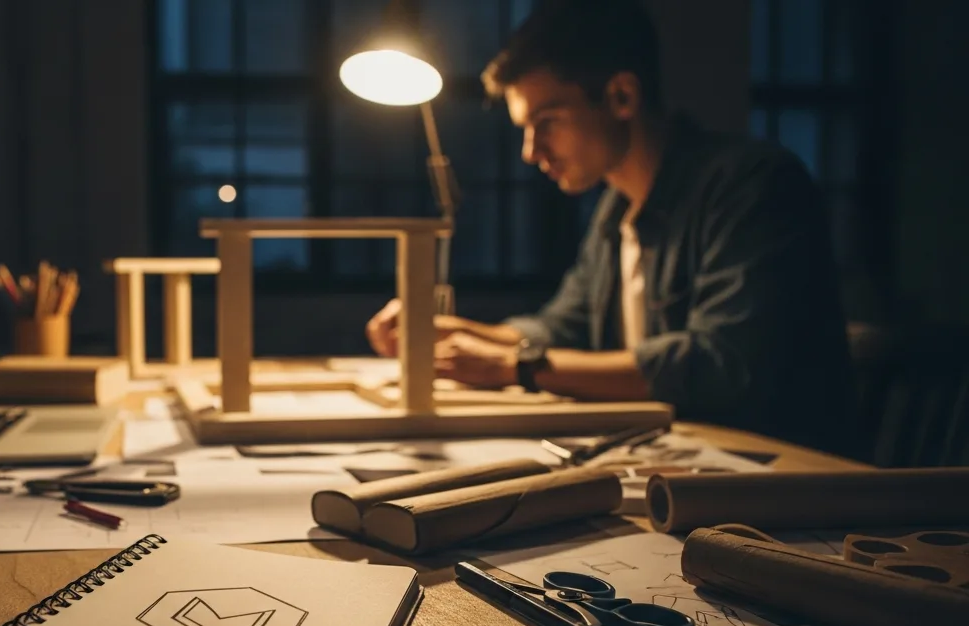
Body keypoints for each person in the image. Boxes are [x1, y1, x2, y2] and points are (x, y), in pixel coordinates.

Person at [365, 0, 852, 453]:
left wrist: (516, 367)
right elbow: (563, 329)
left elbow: (719, 364)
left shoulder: (750, 184)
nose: (531, 152)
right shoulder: (615, 212)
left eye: (547, 122)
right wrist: (451, 332)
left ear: (621, 96)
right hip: (681, 461)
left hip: (780, 481)